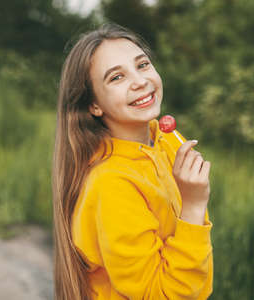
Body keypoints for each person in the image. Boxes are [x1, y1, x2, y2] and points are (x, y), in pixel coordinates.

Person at [52, 23, 213, 300]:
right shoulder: (111, 184)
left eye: (143, 65)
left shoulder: (165, 140)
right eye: (116, 78)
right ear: (94, 105)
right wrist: (194, 204)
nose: (139, 81)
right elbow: (161, 294)